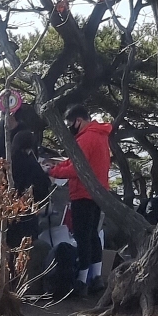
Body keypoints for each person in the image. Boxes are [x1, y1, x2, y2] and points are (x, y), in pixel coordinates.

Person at [47, 108, 114, 297]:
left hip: (82, 193)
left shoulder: (85, 138)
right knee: (93, 235)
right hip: (98, 193)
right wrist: (58, 166)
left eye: (70, 124)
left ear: (78, 120)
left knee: (82, 237)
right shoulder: (101, 136)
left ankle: (82, 281)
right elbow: (73, 161)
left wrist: (52, 171)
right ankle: (96, 277)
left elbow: (75, 168)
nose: (70, 128)